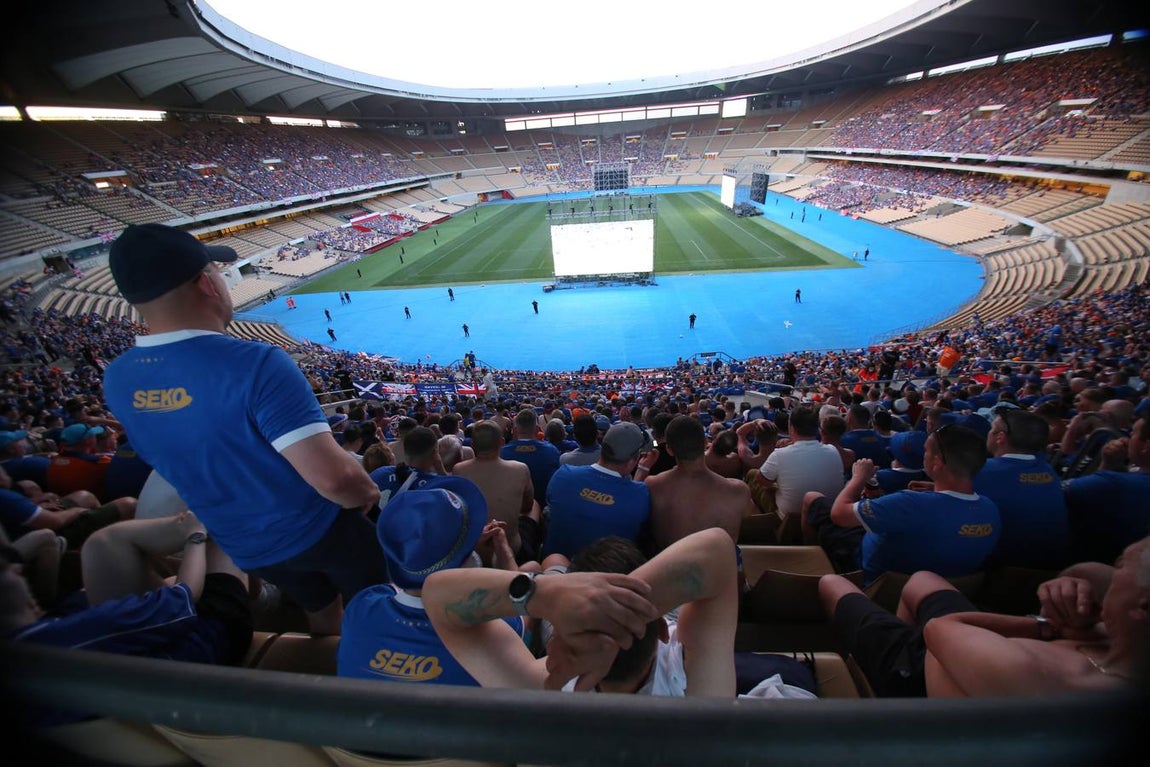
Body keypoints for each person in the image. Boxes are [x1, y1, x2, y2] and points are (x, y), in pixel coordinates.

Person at [101, 223, 386, 636]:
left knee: (317, 604)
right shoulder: (256, 364)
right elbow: (338, 479)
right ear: (206, 283)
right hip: (318, 531)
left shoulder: (118, 377)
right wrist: (368, 494)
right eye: (219, 272)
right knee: (384, 605)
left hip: (244, 546)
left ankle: (325, 646)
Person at [2, 512, 253, 725]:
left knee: (103, 544)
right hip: (204, 641)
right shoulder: (68, 640)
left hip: (134, 675)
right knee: (222, 529)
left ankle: (198, 520)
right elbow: (185, 595)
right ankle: (260, 592)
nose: (16, 568)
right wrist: (195, 535)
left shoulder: (31, 645)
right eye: (5, 571)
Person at [423, 527, 738, 697]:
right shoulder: (700, 694)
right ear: (659, 627)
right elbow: (718, 548)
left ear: (561, 630)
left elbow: (436, 595)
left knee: (551, 563)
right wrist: (626, 609)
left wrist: (545, 593)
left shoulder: (542, 688)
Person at [338, 476, 526, 686]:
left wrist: (458, 545)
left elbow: (410, 575)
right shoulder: (494, 627)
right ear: (467, 562)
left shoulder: (363, 605)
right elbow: (522, 604)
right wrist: (502, 550)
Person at [924, 535, 1150, 697]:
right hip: (954, 648)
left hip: (926, 663)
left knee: (921, 581)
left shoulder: (1041, 675)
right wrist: (1078, 623)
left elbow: (941, 625)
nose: (1112, 575)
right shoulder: (1117, 643)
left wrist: (1049, 626)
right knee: (922, 581)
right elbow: (1089, 573)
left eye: (1120, 565)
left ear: (1143, 606)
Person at [803, 425, 1001, 585]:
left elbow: (839, 514)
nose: (924, 456)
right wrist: (935, 489)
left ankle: (813, 560)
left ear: (938, 462)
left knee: (813, 499)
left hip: (871, 578)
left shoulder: (909, 503)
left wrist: (858, 477)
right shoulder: (990, 508)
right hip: (945, 589)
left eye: (926, 452)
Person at [974, 406, 1069, 569]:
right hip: (1052, 567)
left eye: (992, 430)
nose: (988, 433)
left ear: (1000, 437)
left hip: (1004, 570)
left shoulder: (980, 470)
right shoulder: (1047, 469)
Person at [644, 416, 755, 553]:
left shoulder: (652, 485)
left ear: (669, 449)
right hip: (721, 570)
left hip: (668, 569)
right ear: (705, 443)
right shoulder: (739, 491)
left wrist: (642, 469)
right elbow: (748, 513)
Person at [543, 422, 653, 559]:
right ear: (632, 462)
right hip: (606, 574)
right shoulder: (640, 494)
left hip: (555, 573)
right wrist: (642, 471)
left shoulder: (563, 474)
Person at [1062, 416, 1150, 566]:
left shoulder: (1112, 484)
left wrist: (1105, 470)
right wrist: (1109, 466)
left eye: (1133, 434)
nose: (1127, 439)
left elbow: (1048, 494)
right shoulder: (1117, 481)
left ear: (1146, 446)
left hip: (1092, 570)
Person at [452, 421, 540, 565]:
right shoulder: (520, 469)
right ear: (502, 442)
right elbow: (526, 507)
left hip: (473, 553)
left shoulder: (459, 470)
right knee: (535, 505)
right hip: (511, 550)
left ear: (473, 446)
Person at [747, 403, 843, 523]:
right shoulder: (833, 450)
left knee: (752, 474)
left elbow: (763, 481)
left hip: (789, 519)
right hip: (826, 515)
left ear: (791, 428)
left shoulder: (779, 454)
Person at [501, 408, 561, 511]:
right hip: (543, 509)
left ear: (515, 430)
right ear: (537, 429)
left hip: (512, 510)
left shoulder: (502, 453)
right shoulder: (552, 451)